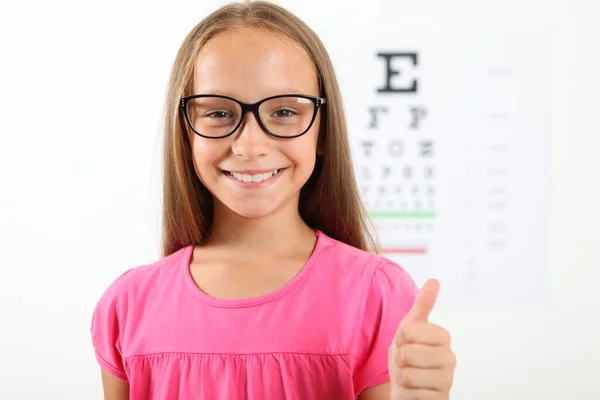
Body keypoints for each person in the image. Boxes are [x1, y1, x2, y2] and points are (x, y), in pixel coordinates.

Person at [90, 1, 456, 399]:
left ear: (323, 131)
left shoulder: (375, 295)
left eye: (283, 111)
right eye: (218, 113)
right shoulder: (128, 305)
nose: (250, 145)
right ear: (186, 133)